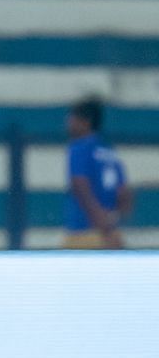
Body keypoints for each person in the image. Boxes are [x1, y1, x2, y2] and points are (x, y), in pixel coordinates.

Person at [64, 97, 132, 249]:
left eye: (72, 119)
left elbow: (80, 185)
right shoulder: (109, 151)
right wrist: (113, 224)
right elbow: (124, 194)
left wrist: (100, 223)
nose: (68, 123)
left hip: (83, 233)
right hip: (112, 234)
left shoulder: (79, 148)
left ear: (85, 122)